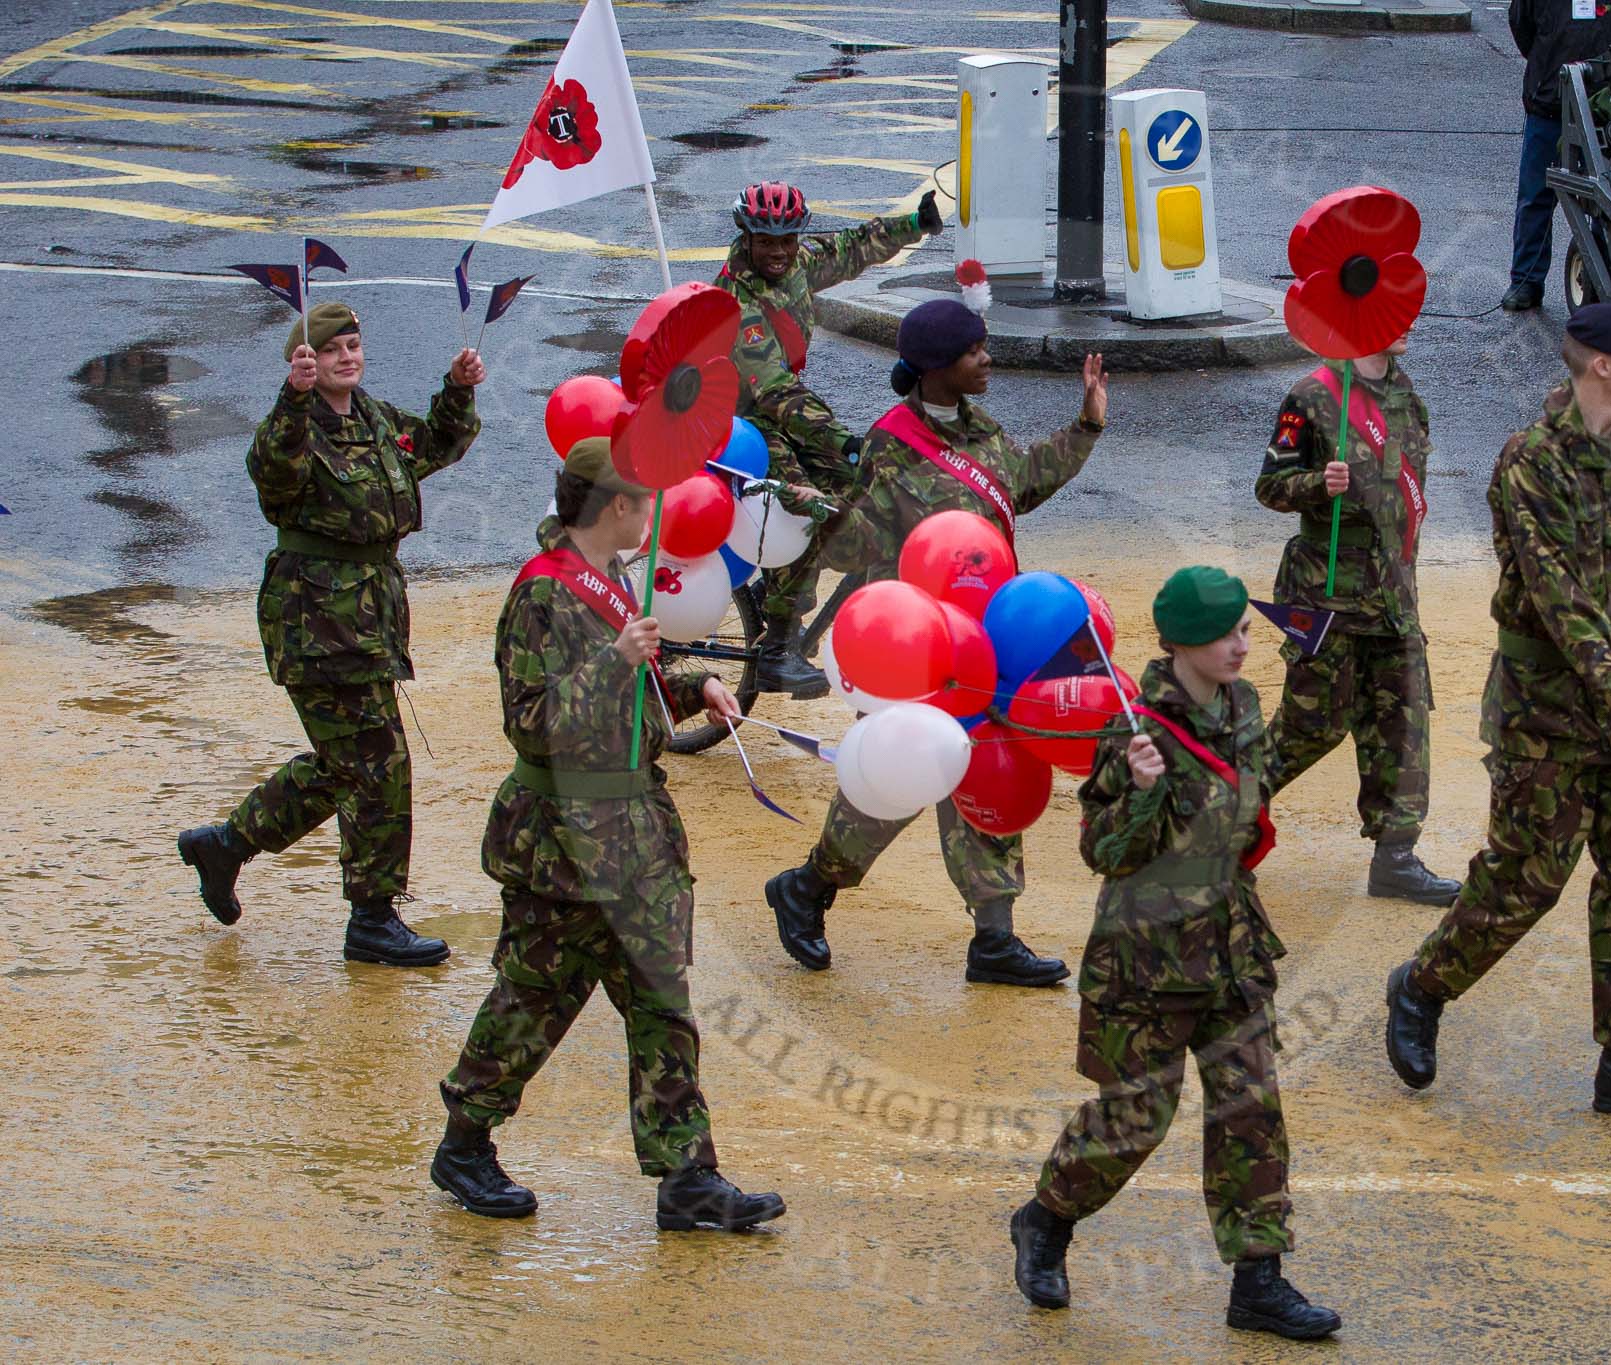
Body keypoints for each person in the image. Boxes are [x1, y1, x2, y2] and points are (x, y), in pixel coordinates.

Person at [430, 439, 785, 1230]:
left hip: (634, 836)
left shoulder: (612, 581)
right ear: (614, 507)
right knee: (532, 999)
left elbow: (642, 692)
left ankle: (689, 1175)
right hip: (561, 841)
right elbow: (531, 724)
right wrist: (616, 665)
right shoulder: (541, 595)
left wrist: (697, 686)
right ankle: (464, 1142)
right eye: (643, 501)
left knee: (664, 1002)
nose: (654, 514)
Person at [1383, 303, 1611, 1122]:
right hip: (1549, 709)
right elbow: (1556, 593)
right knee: (1525, 879)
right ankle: (1421, 986)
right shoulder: (1530, 463)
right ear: (1601, 365)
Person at [1010, 568, 1340, 1341]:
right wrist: (1146, 790)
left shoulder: (1243, 706)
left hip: (1229, 940)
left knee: (1251, 1108)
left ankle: (1258, 1277)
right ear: (1178, 644)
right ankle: (1045, 1218)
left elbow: (1251, 801)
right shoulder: (1133, 730)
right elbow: (1105, 851)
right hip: (1147, 958)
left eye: (1245, 630)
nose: (1240, 644)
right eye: (1225, 633)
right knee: (1135, 1119)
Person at [763, 298, 1106, 988]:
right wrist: (809, 522)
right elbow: (853, 542)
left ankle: (994, 938)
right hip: (913, 647)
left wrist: (1087, 425)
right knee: (892, 785)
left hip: (985, 639)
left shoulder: (981, 428)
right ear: (938, 366)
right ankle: (807, 887)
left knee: (988, 773)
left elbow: (1024, 481)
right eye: (976, 352)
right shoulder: (891, 442)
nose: (988, 361)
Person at [177, 301, 483, 967]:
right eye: (331, 349)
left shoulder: (374, 418)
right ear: (306, 362)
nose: (347, 356)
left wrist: (456, 391)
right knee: (377, 764)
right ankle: (372, 918)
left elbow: (433, 444)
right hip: (316, 619)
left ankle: (225, 845)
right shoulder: (295, 427)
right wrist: (293, 396)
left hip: (368, 618)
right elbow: (273, 471)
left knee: (350, 764)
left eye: (353, 344)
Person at [1254, 329, 1460, 906]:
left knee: (1403, 723)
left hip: (1392, 596)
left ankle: (1395, 857)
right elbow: (1269, 486)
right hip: (1327, 596)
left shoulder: (1406, 396)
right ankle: (1223, 819)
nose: (1412, 325)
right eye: (1395, 315)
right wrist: (1321, 483)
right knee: (1310, 726)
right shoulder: (1312, 397)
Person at [716, 180, 946, 696]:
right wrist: (842, 439)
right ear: (746, 237)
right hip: (746, 422)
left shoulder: (796, 264)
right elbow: (773, 390)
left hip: (789, 409)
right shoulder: (735, 304)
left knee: (870, 485)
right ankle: (778, 646)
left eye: (786, 240)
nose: (778, 252)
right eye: (765, 242)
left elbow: (851, 248)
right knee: (804, 509)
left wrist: (915, 225)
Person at [1503, 0, 1611, 311]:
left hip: (1607, 107)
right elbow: (1522, 26)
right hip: (1549, 102)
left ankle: (1604, 279)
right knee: (1535, 197)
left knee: (1609, 199)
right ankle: (1526, 282)